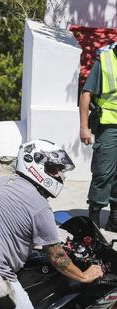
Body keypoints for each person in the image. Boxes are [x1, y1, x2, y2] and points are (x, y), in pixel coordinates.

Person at [0, 140, 104, 309]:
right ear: (35, 166)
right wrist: (85, 276)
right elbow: (57, 258)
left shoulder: (0, 183)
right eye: (54, 169)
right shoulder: (39, 205)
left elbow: (8, 228)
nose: (59, 175)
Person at [79, 46, 117, 233]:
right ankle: (94, 217)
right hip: (108, 125)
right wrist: (84, 128)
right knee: (103, 171)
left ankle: (115, 218)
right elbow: (86, 94)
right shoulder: (105, 61)